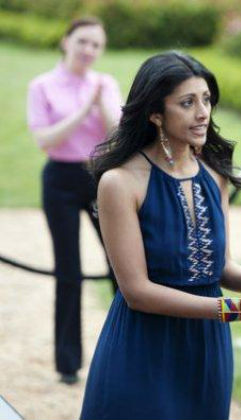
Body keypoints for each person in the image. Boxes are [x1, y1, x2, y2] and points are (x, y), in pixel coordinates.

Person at [79, 52, 241, 420]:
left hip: (206, 350)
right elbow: (136, 291)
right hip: (143, 347)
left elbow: (220, 268)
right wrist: (237, 309)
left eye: (206, 100)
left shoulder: (214, 172)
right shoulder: (120, 182)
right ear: (155, 113)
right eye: (187, 102)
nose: (203, 113)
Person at [26, 16, 121, 385]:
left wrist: (100, 103)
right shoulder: (42, 86)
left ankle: (128, 351)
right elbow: (45, 140)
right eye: (82, 41)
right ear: (66, 41)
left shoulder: (105, 83)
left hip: (100, 179)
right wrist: (85, 110)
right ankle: (68, 363)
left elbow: (116, 135)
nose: (88, 50)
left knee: (120, 263)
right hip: (60, 181)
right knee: (68, 271)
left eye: (96, 44)